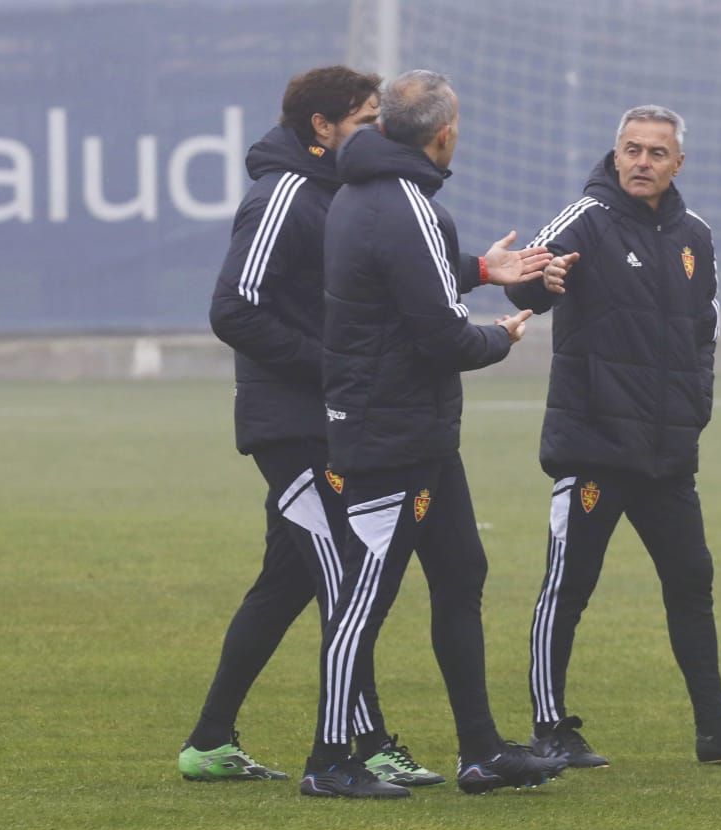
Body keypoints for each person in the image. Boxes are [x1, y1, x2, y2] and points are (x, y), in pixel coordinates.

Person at [181, 66, 549, 788]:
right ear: (322, 126)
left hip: (350, 408)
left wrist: (476, 267)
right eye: (365, 115)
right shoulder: (283, 194)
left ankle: (209, 738)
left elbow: (384, 279)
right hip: (296, 422)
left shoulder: (350, 194)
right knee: (345, 580)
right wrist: (335, 367)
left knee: (294, 580)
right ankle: (358, 744)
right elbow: (234, 310)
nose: (380, 126)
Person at [506, 105, 721, 768]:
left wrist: (695, 408)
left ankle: (715, 729)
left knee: (692, 580)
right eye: (631, 149)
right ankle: (550, 728)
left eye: (655, 152)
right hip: (595, 445)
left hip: (666, 452)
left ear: (678, 163)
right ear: (615, 154)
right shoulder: (585, 217)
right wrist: (538, 278)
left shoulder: (694, 234)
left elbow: (705, 333)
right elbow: (528, 277)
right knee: (569, 584)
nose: (641, 161)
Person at [304, 69, 567, 799]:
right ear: (444, 133)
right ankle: (328, 760)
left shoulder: (359, 192)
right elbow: (440, 336)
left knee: (461, 573)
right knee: (365, 599)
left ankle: (480, 752)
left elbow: (405, 279)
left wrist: (483, 267)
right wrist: (502, 335)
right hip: (393, 431)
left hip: (408, 427)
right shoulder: (408, 203)